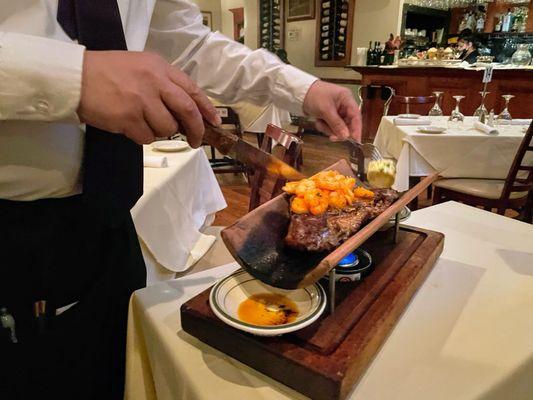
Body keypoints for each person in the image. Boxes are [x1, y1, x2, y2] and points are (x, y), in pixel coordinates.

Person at [0, 1, 361, 399]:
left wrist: (302, 88)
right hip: (9, 231)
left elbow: (187, 44)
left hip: (110, 221)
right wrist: (71, 77)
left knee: (117, 371)